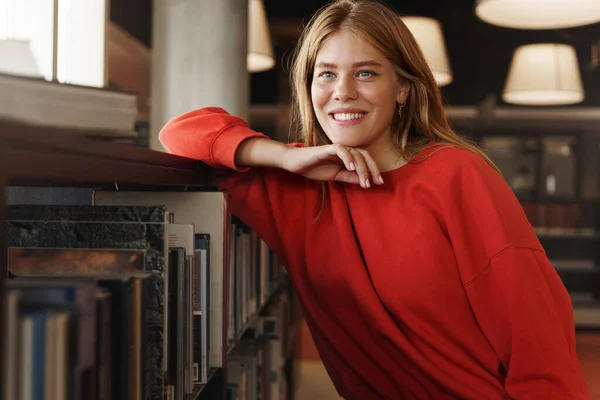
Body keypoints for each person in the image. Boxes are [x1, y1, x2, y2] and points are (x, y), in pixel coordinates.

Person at [158, 0, 590, 398]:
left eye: (366, 73)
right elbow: (179, 133)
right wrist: (281, 157)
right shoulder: (294, 185)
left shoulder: (458, 175)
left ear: (403, 88)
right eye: (326, 73)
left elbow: (539, 342)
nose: (343, 91)